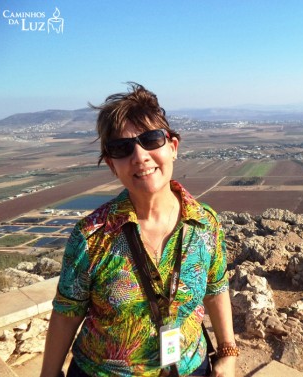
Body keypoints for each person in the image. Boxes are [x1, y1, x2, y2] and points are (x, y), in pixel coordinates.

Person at [40, 83, 237, 377]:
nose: (140, 156)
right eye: (122, 148)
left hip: (188, 367)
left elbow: (216, 289)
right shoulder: (92, 236)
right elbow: (67, 314)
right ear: (111, 164)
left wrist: (228, 352)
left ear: (172, 147)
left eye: (151, 140)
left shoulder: (205, 224)